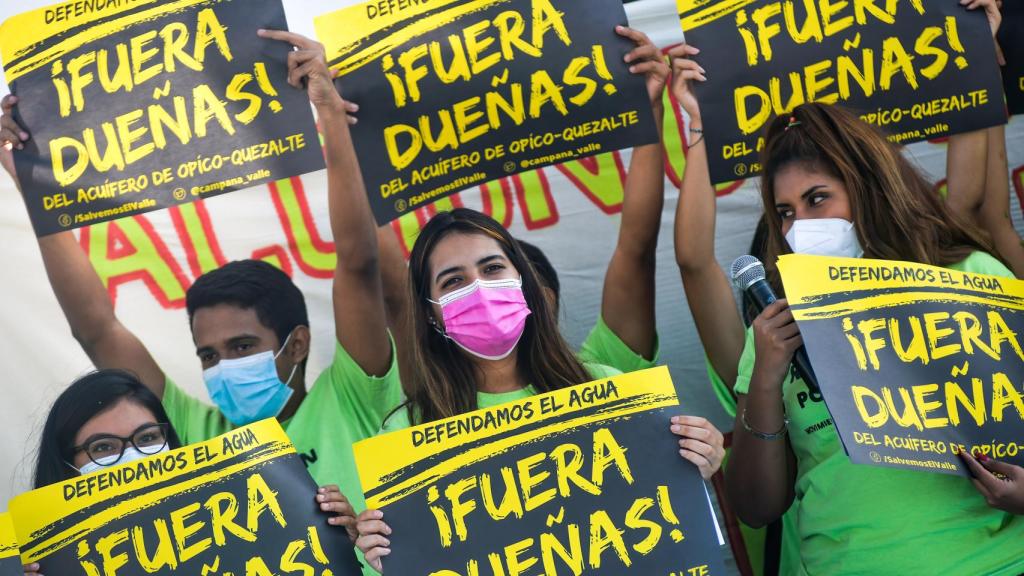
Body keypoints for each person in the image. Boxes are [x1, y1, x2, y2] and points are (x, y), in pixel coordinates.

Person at [0, 30, 400, 575]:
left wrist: (329, 115)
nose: (224, 366)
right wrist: (35, 189)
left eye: (242, 345)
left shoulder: (352, 395)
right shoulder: (191, 435)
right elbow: (95, 328)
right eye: (208, 355)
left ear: (297, 343)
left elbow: (358, 261)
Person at [347, 26, 726, 573]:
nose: (478, 287)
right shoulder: (406, 437)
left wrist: (701, 453)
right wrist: (382, 550)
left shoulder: (606, 387)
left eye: (493, 268)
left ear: (524, 283)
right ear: (429, 314)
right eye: (452, 281)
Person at [22, 369, 358, 576]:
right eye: (104, 447)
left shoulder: (236, 531)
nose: (133, 456)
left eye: (148, 438)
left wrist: (335, 544)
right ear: (65, 465)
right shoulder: (37, 566)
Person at [669, 45, 796, 576]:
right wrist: (697, 127)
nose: (802, 240)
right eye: (786, 225)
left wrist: (978, 69)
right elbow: (695, 261)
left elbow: (978, 212)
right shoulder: (756, 350)